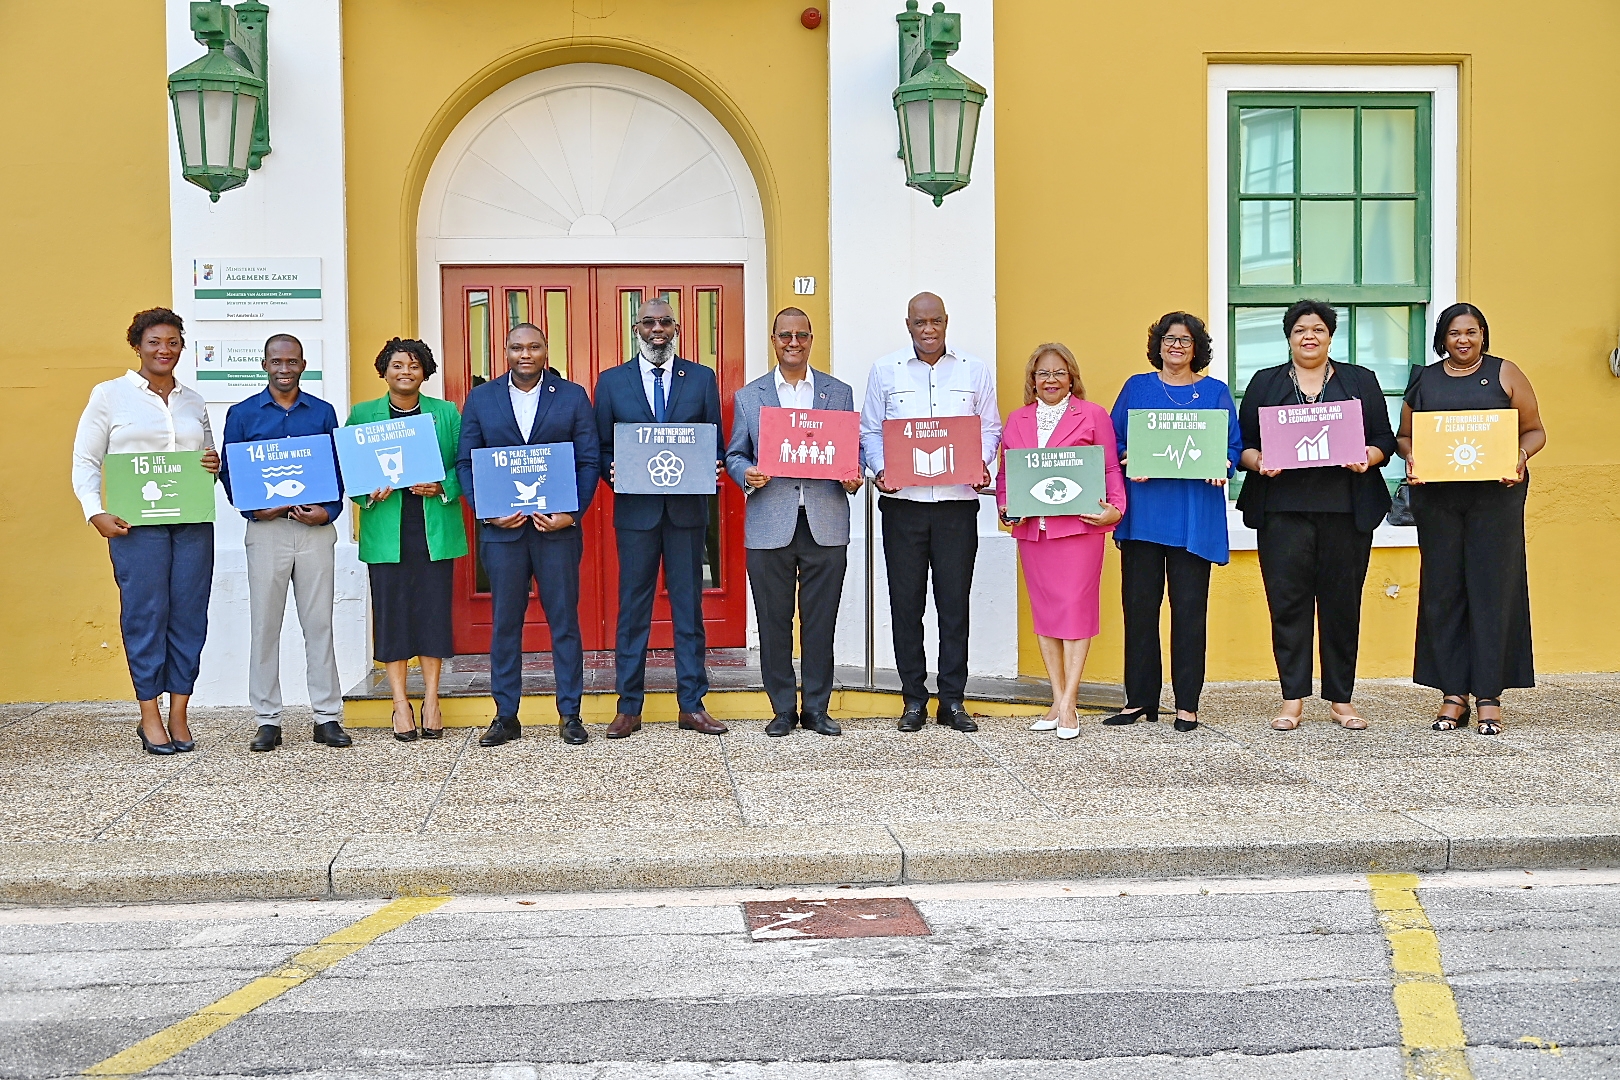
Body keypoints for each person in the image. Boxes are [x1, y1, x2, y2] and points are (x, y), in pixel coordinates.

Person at [1237, 300, 1397, 731]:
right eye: (1300, 330)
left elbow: (1384, 439)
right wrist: (1259, 462)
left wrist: (1370, 455)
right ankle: (1292, 700)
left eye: (1318, 330)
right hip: (1282, 511)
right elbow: (1244, 444)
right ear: (1289, 337)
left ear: (1331, 336)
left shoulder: (1359, 380)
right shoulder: (1265, 382)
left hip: (1346, 510)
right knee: (1287, 605)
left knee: (1342, 606)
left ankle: (1341, 700)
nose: (1309, 337)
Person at [71, 308, 220, 755]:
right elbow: (85, 460)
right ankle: (149, 714)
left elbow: (206, 458)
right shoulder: (110, 395)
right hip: (135, 528)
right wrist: (94, 511)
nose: (164, 350)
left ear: (181, 347)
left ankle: (179, 712)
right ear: (137, 345)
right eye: (154, 342)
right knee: (145, 615)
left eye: (173, 342)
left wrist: (213, 465)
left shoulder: (193, 399)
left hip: (191, 523)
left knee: (190, 616)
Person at [1397, 304, 1545, 736]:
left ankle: (1489, 695)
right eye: (1455, 333)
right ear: (1442, 337)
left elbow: (1535, 430)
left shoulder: (1505, 373)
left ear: (1484, 335)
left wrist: (1519, 456)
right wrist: (1411, 457)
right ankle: (1452, 693)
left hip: (1494, 499)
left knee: (1493, 590)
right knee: (1444, 591)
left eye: (1473, 332)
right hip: (1439, 501)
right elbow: (1405, 436)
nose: (1464, 340)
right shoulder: (1424, 379)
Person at [859, 292, 1002, 733]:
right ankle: (913, 699)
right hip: (903, 507)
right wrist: (882, 469)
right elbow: (870, 430)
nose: (928, 329)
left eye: (935, 321)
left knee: (954, 606)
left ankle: (953, 700)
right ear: (908, 325)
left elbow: (990, 427)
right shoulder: (886, 370)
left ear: (946, 321)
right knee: (906, 606)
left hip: (957, 506)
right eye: (920, 322)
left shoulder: (974, 370)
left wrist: (982, 462)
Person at [456, 323, 599, 748]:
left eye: (534, 347)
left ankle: (570, 714)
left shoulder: (571, 396)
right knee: (505, 623)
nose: (525, 354)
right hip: (503, 535)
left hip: (556, 532)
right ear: (505, 351)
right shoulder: (482, 399)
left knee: (564, 623)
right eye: (517, 347)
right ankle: (505, 715)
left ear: (545, 350)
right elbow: (466, 462)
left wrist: (570, 515)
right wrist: (488, 512)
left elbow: (588, 462)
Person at [726, 307, 863, 738]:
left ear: (810, 339)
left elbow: (851, 451)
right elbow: (735, 453)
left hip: (824, 518)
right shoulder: (750, 396)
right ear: (773, 339)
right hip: (770, 520)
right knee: (773, 619)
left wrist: (854, 473)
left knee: (821, 621)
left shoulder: (838, 392)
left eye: (801, 335)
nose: (793, 342)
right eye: (785, 335)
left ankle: (817, 709)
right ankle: (783, 708)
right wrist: (744, 473)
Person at [593, 298, 727, 739]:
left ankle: (692, 704)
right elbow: (601, 447)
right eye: (649, 322)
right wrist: (612, 471)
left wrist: (714, 465)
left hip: (687, 513)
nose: (657, 330)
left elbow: (716, 444)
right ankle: (629, 706)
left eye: (665, 322)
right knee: (633, 611)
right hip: (636, 514)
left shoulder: (701, 379)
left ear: (676, 328)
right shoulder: (612, 382)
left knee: (690, 608)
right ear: (636, 328)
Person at [1104, 313, 1241, 733]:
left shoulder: (1215, 393)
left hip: (1193, 518)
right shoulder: (1137, 387)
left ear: (1197, 347)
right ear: (1158, 344)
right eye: (1169, 338)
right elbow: (1114, 442)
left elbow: (1232, 447)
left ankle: (1187, 703)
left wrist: (1224, 463)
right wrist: (1130, 459)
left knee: (1189, 612)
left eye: (1185, 340)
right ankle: (1139, 699)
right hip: (1144, 514)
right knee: (1140, 611)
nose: (1176, 346)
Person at [219, 334, 351, 752]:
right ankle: (267, 719)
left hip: (314, 530)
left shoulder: (323, 412)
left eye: (292, 361)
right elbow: (230, 471)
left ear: (303, 365)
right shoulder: (242, 414)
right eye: (276, 360)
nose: (284, 368)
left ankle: (327, 717)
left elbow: (338, 467)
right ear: (264, 364)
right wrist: (255, 510)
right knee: (265, 625)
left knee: (319, 625)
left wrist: (328, 511)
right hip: (266, 531)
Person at [996, 344, 1125, 739]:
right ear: (1032, 380)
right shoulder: (1017, 420)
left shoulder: (1093, 415)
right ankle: (1056, 698)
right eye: (1042, 374)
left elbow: (1107, 467)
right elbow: (1006, 474)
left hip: (1079, 530)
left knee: (1075, 613)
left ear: (1072, 377)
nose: (1050, 380)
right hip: (1035, 532)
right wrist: (1005, 506)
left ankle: (1069, 704)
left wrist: (1116, 508)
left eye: (1059, 373)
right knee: (1047, 616)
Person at [347, 338, 468, 743]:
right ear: (384, 370)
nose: (405, 372)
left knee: (433, 615)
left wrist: (442, 485)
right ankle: (400, 702)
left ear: (425, 372)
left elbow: (463, 465)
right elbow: (350, 470)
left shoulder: (445, 412)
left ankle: (432, 699)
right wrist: (368, 491)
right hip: (387, 531)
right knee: (393, 615)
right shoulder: (363, 414)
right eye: (397, 365)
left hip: (433, 529)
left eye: (414, 366)